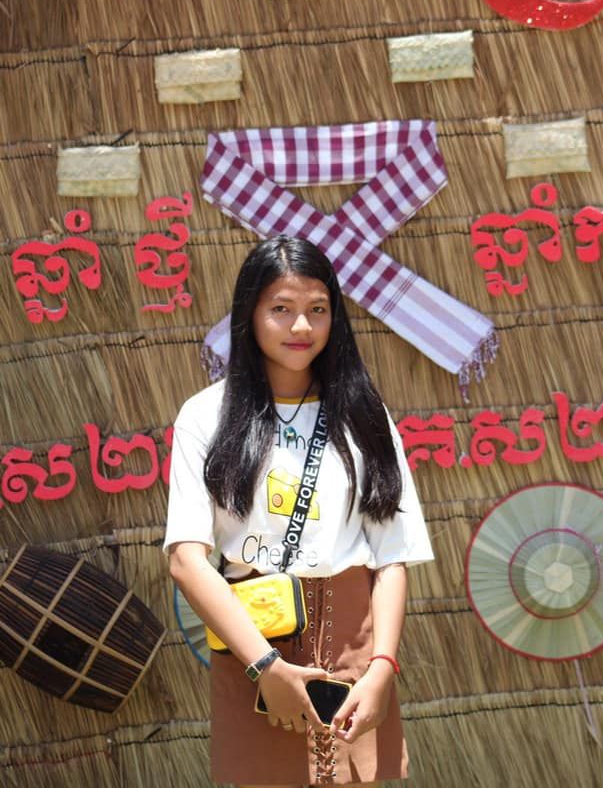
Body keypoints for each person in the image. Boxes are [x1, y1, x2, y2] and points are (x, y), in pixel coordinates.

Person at [164, 236, 434, 787]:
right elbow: (186, 560)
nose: (302, 326)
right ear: (250, 314)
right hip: (255, 650)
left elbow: (392, 556)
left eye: (318, 309)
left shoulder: (366, 416)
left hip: (357, 649)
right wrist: (266, 666)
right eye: (281, 309)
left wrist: (382, 667)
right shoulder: (204, 416)